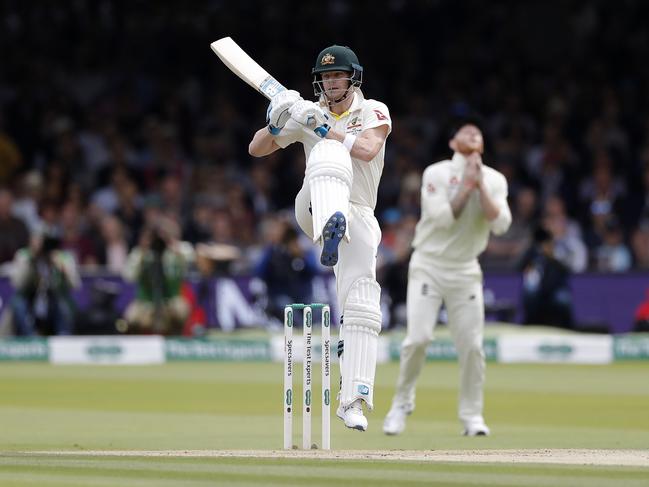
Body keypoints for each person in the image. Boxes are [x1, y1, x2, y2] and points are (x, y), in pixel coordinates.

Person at [248, 45, 391, 431]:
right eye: (324, 77)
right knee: (326, 155)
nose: (329, 82)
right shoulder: (307, 112)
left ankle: (354, 401)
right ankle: (331, 225)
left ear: (352, 78)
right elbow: (256, 149)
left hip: (359, 214)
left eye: (336, 76)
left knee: (363, 305)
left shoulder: (374, 110)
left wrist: (324, 127)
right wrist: (276, 123)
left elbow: (366, 149)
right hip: (313, 204)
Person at [383, 121, 511, 437]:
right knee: (419, 338)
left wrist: (479, 185)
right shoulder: (436, 173)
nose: (473, 134)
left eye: (478, 133)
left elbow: (502, 225)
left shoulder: (494, 179)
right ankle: (401, 404)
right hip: (429, 264)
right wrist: (466, 186)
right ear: (453, 142)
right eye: (466, 132)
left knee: (472, 347)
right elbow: (441, 219)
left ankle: (472, 417)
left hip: (466, 270)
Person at [122, 218, 194, 335]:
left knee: (180, 310)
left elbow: (191, 258)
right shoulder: (141, 253)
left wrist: (172, 246)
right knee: (131, 317)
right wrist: (142, 254)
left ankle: (176, 337)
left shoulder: (177, 250)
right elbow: (128, 276)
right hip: (147, 301)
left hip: (170, 300)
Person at [9, 231, 81, 336]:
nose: (40, 245)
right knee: (19, 305)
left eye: (43, 241)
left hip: (55, 298)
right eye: (36, 241)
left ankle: (64, 337)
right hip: (30, 298)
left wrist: (62, 268)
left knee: (64, 306)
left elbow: (75, 285)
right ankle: (31, 338)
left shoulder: (63, 257)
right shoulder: (23, 255)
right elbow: (17, 284)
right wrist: (31, 263)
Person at [519, 226, 574, 328]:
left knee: (563, 299)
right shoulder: (534, 255)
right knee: (530, 293)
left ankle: (569, 328)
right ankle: (530, 325)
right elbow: (519, 266)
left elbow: (565, 270)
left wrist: (551, 257)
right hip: (539, 289)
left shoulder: (559, 252)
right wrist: (530, 248)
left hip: (556, 288)